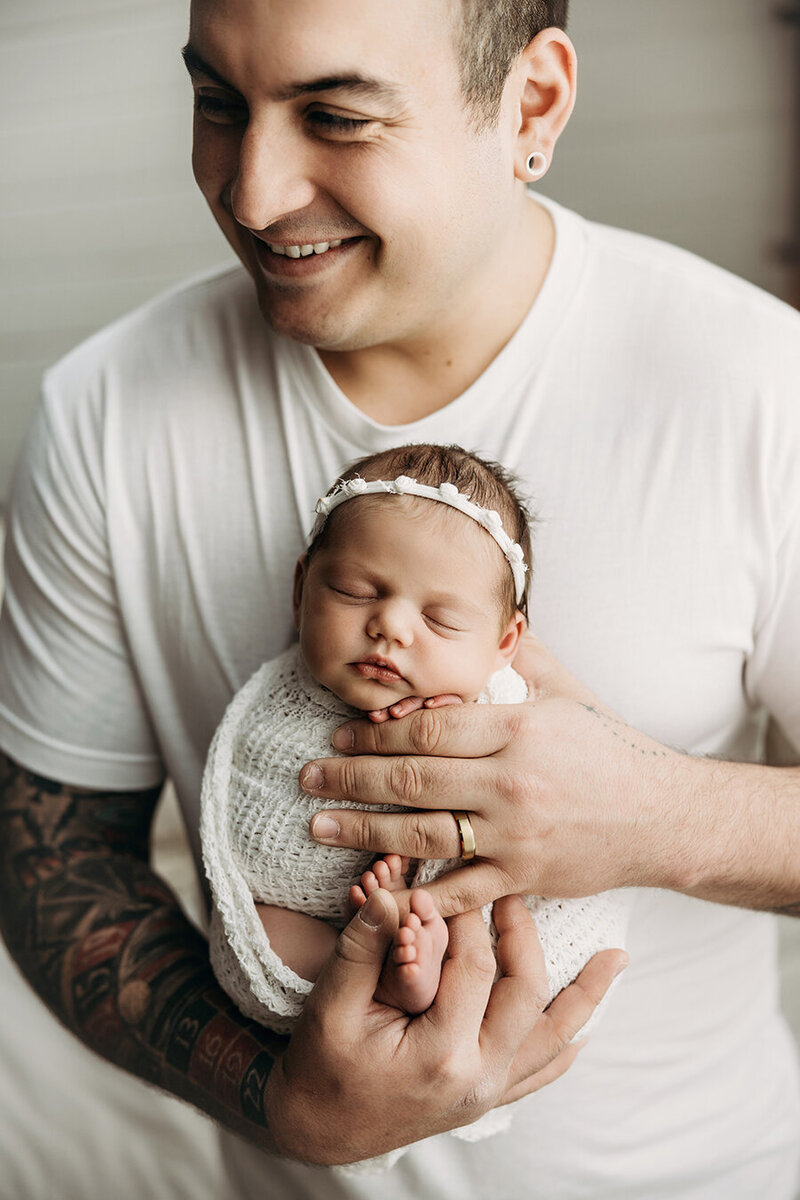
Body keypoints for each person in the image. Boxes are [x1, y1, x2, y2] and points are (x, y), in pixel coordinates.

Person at [0, 0, 798, 1196]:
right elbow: (55, 861)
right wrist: (277, 1103)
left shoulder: (753, 392)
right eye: (217, 104)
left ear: (529, 104)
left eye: (337, 116)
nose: (254, 193)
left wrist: (658, 816)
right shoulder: (106, 415)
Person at [201, 444, 629, 1091]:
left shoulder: (505, 703)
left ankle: (429, 971)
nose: (391, 627)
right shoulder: (284, 693)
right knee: (256, 931)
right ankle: (383, 975)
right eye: (354, 591)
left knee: (515, 916)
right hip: (314, 924)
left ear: (504, 644)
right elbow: (255, 800)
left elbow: (569, 781)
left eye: (441, 618)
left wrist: (459, 723)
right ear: (301, 588)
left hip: (471, 920)